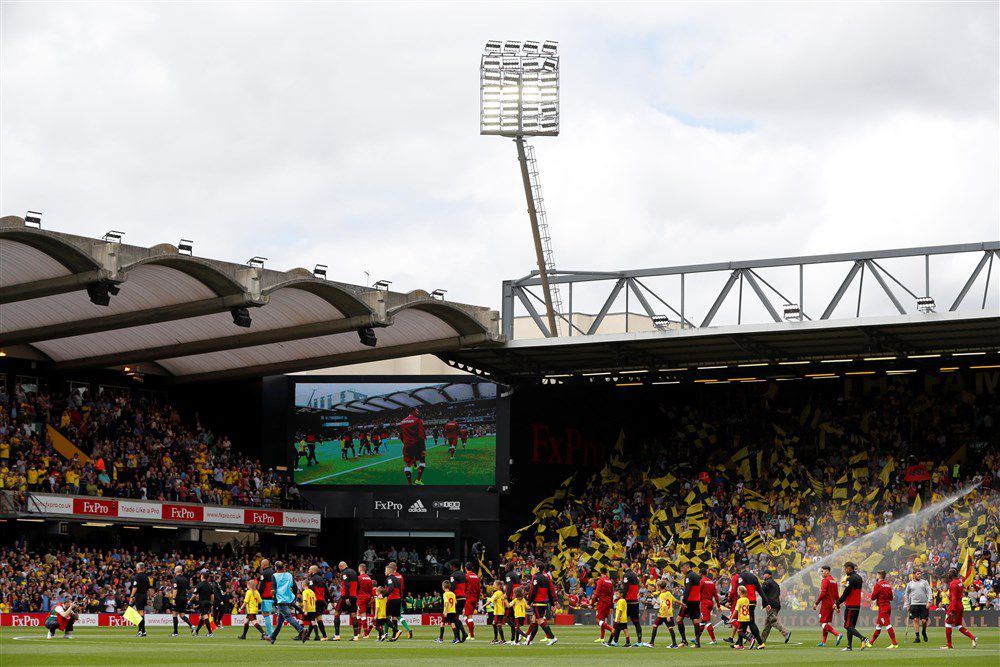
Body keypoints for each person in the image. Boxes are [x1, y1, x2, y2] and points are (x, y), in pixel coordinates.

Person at [835, 561, 871, 651]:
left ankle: (863, 638)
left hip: (850, 605)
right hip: (857, 605)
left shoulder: (850, 578)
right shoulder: (859, 577)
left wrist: (837, 603)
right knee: (851, 627)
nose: (844, 570)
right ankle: (849, 646)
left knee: (847, 626)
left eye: (845, 568)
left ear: (849, 568)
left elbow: (846, 593)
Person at [268, 560, 304, 643]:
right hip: (289, 599)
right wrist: (294, 597)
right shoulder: (289, 575)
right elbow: (294, 587)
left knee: (288, 617)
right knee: (280, 620)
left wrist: (273, 598)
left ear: (275, 567)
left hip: (281, 600)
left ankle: (301, 630)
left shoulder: (274, 576)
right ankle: (272, 637)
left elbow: (273, 589)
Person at [942, 568, 978, 650]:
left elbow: (954, 598)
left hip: (954, 606)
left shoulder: (953, 584)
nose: (948, 574)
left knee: (947, 623)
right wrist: (951, 596)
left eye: (949, 573)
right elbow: (956, 595)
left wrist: (952, 611)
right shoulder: (960, 582)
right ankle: (973, 637)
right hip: (960, 606)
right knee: (958, 625)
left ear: (952, 574)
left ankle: (949, 645)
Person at [525, 562, 557, 646]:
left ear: (538, 568)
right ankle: (529, 640)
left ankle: (552, 637)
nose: (534, 568)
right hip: (544, 602)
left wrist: (529, 601)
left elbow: (533, 590)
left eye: (535, 567)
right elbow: (550, 592)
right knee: (534, 621)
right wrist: (552, 603)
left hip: (538, 602)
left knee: (540, 620)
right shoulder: (546, 578)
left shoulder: (535, 577)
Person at [759, 569, 791, 646]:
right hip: (777, 604)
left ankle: (786, 632)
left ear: (770, 575)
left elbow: (761, 592)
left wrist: (766, 603)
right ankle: (762, 640)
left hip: (770, 605)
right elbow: (778, 593)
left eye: (765, 574)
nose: (764, 575)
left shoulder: (766, 583)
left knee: (773, 621)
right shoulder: (776, 584)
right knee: (768, 623)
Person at [813, 565, 841, 646]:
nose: (821, 573)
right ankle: (823, 642)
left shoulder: (825, 580)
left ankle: (837, 635)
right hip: (832, 605)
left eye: (822, 571)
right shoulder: (834, 581)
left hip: (825, 605)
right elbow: (836, 595)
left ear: (827, 571)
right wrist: (838, 606)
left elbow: (823, 593)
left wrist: (816, 603)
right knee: (825, 623)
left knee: (822, 623)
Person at [869, 570, 898, 649]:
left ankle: (894, 643)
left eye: (876, 575)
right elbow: (891, 598)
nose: (876, 576)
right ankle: (871, 642)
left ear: (879, 575)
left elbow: (872, 597)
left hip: (883, 608)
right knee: (879, 625)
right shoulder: (888, 585)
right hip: (888, 606)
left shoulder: (878, 585)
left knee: (887, 624)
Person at [737, 560, 761, 648]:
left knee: (749, 624)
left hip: (747, 605)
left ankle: (758, 641)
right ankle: (739, 644)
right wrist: (766, 602)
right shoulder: (754, 577)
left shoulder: (741, 577)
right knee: (745, 625)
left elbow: (740, 587)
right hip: (753, 602)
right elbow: (760, 590)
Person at [400, 408, 426, 485]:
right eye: (417, 411)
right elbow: (421, 436)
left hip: (407, 446)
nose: (418, 412)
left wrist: (405, 443)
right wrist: (423, 449)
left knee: (408, 464)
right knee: (422, 461)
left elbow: (401, 436)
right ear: (413, 411)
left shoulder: (402, 422)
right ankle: (418, 479)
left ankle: (410, 484)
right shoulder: (418, 420)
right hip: (417, 445)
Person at [333, 561, 358, 641]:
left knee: (336, 613)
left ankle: (337, 635)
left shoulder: (344, 573)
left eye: (339, 567)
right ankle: (355, 636)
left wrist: (347, 597)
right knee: (354, 615)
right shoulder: (354, 572)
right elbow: (358, 585)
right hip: (354, 596)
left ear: (341, 566)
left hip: (345, 596)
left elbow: (346, 585)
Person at [678, 562, 702, 647]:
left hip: (688, 601)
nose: (682, 572)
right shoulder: (696, 576)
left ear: (685, 568)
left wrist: (684, 601)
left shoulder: (688, 576)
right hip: (696, 601)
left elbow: (687, 589)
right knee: (695, 621)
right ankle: (697, 643)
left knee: (678, 620)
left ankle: (684, 640)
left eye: (682, 570)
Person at [649, 579, 678, 648]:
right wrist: (682, 604)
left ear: (659, 587)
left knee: (655, 626)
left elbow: (664, 605)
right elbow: (675, 600)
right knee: (670, 628)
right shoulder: (668, 593)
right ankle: (674, 644)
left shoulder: (662, 595)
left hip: (663, 614)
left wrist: (667, 616)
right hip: (670, 613)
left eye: (657, 586)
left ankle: (651, 643)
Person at [904, 569, 931, 643]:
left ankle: (924, 632)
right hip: (914, 604)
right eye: (918, 574)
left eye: (920, 574)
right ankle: (917, 637)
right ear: (914, 575)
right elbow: (906, 594)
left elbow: (929, 591)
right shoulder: (910, 584)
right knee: (915, 620)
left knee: (924, 621)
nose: (919, 575)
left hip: (923, 604)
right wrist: (907, 604)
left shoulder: (924, 582)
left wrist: (929, 601)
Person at [621, 562, 644, 646]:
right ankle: (639, 641)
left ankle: (617, 641)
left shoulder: (626, 575)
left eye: (622, 565)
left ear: (625, 565)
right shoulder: (634, 575)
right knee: (636, 622)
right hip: (635, 602)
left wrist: (623, 597)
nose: (621, 566)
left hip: (628, 601)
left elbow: (626, 587)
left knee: (621, 621)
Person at [699, 566, 722, 645]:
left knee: (707, 621)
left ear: (700, 574)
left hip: (704, 603)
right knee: (702, 621)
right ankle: (697, 638)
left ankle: (714, 640)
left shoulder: (702, 581)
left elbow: (698, 592)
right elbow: (715, 595)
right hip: (710, 602)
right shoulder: (712, 582)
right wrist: (718, 606)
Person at [128, 562, 152, 638]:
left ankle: (140, 631)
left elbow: (135, 587)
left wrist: (131, 596)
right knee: (140, 613)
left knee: (139, 613)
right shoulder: (146, 577)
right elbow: (148, 589)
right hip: (144, 595)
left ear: (138, 568)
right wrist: (148, 597)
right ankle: (143, 631)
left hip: (139, 595)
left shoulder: (137, 576)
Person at [731, 585, 758, 650]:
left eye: (738, 591)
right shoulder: (747, 599)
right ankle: (741, 646)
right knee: (741, 631)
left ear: (740, 592)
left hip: (742, 619)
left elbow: (736, 610)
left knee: (739, 632)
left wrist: (732, 618)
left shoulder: (739, 600)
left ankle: (750, 640)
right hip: (747, 617)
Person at [169, 565, 193, 637]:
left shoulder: (176, 579)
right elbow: (189, 589)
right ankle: (192, 626)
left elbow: (175, 589)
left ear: (176, 571)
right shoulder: (185, 579)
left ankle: (175, 632)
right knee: (182, 615)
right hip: (184, 598)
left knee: (174, 614)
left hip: (178, 598)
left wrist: (173, 599)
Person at [592, 570, 615, 643]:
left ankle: (611, 630)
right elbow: (612, 594)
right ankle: (602, 638)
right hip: (608, 603)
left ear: (601, 573)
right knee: (603, 619)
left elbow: (597, 593)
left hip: (602, 602)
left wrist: (592, 603)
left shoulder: (600, 580)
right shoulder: (610, 581)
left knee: (598, 619)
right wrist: (611, 606)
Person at [384, 562, 404, 641]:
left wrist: (383, 595)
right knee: (394, 617)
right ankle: (394, 635)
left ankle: (396, 630)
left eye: (385, 570)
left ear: (389, 571)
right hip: (398, 599)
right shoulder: (397, 579)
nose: (385, 572)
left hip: (392, 599)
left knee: (384, 617)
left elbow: (391, 588)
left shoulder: (389, 578)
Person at [308, 564, 329, 640]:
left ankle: (324, 636)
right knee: (314, 618)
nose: (308, 571)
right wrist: (327, 601)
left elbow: (311, 590)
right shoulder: (321, 579)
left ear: (313, 571)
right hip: (321, 601)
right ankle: (308, 635)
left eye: (310, 569)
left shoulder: (312, 579)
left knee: (316, 618)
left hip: (315, 601)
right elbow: (327, 591)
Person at [463, 561, 481, 640]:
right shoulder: (476, 576)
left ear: (465, 568)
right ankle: (470, 632)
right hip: (474, 598)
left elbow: (464, 588)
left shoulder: (466, 576)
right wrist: (477, 600)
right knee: (465, 615)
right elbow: (479, 590)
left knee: (468, 616)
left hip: (468, 598)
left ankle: (472, 634)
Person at [193, 572, 216, 637]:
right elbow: (212, 595)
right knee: (202, 617)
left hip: (202, 602)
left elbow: (194, 594)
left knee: (205, 616)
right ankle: (197, 631)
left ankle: (210, 633)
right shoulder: (210, 585)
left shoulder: (200, 584)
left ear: (202, 576)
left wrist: (190, 600)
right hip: (208, 602)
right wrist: (211, 603)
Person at [258, 558, 276, 637]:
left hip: (265, 597)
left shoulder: (264, 573)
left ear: (264, 565)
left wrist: (259, 594)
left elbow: (263, 585)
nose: (261, 566)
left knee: (266, 614)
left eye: (261, 564)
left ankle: (270, 633)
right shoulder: (274, 572)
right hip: (273, 596)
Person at [356, 562, 373, 640]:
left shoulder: (359, 578)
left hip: (361, 597)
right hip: (368, 597)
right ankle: (358, 633)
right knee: (358, 613)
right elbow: (371, 589)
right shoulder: (369, 578)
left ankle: (366, 633)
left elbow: (356, 588)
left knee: (362, 614)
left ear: (359, 569)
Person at [300, 577, 317, 643]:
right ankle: (317, 636)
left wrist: (306, 610)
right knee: (313, 621)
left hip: (307, 608)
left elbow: (305, 601)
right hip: (313, 608)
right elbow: (315, 600)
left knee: (301, 620)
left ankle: (301, 634)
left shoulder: (305, 592)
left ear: (304, 584)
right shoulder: (312, 591)